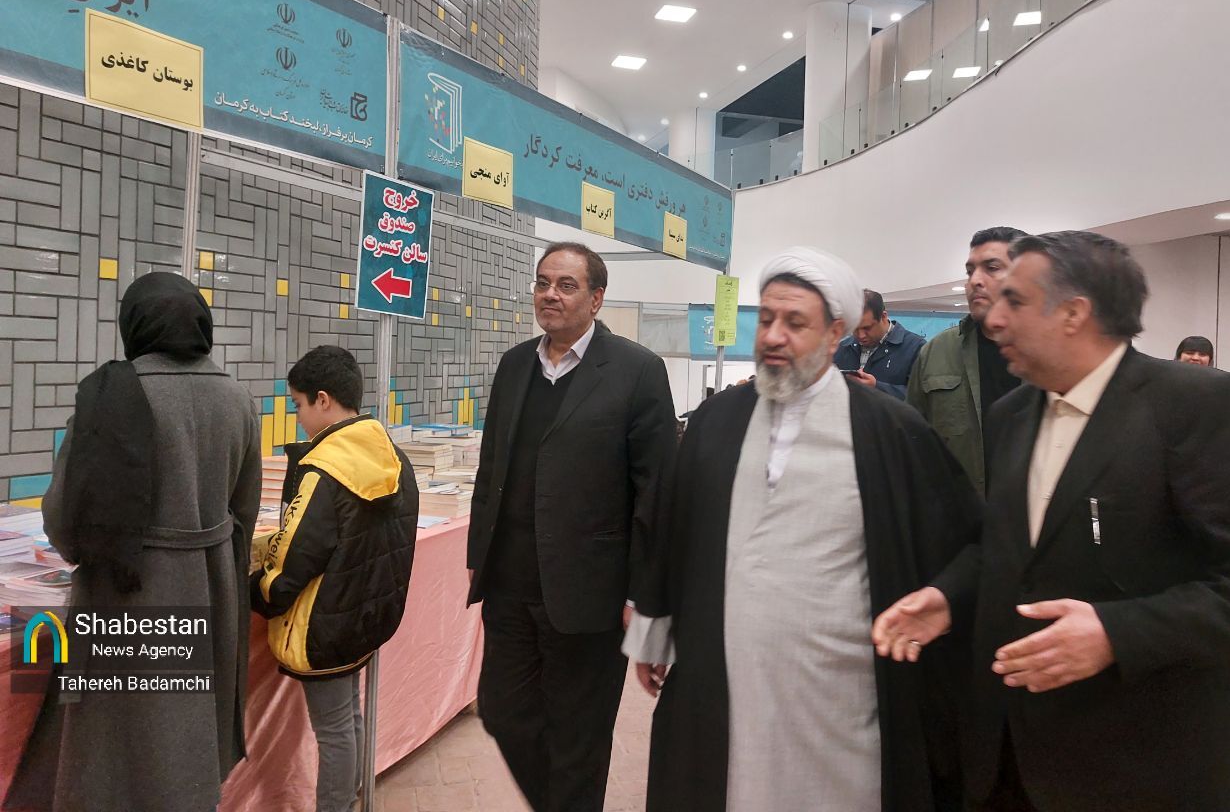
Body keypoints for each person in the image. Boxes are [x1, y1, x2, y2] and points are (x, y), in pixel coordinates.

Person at [874, 231, 1230, 811]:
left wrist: (1117, 633)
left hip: (1150, 768)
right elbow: (1006, 547)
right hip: (1014, 760)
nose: (995, 318)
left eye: (1016, 300)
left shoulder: (1201, 405)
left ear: (1073, 313)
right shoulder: (1013, 415)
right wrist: (949, 596)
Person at [628, 247, 981, 812]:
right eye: (767, 318)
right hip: (722, 676)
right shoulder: (716, 420)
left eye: (795, 322)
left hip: (839, 694)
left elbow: (969, 540)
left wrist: (942, 599)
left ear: (835, 332)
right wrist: (655, 625)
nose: (773, 336)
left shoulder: (890, 429)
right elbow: (674, 525)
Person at [6, 272, 261, 812]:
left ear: (134, 324)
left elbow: (66, 518)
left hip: (125, 592)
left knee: (115, 746)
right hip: (211, 587)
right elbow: (244, 508)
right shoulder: (238, 399)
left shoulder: (110, 394)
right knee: (187, 737)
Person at [466, 241, 677, 812]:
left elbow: (656, 493)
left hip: (591, 594)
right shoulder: (515, 365)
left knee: (578, 737)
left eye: (566, 285)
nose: (550, 295)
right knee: (503, 712)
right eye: (542, 283)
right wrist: (478, 555)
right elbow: (492, 466)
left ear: (596, 298)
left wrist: (642, 593)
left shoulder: (637, 371)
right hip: (510, 586)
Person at [250, 345, 418, 812]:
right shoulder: (393, 456)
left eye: (298, 405)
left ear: (323, 400)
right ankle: (352, 799)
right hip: (366, 616)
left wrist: (259, 591)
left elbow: (293, 560)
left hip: (323, 623)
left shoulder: (323, 470)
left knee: (334, 729)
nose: (298, 417)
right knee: (349, 716)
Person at [907, 226, 1027, 496]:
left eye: (992, 268)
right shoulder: (936, 351)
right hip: (960, 512)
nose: (975, 281)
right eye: (970, 271)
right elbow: (913, 442)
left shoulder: (1051, 353)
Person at [833, 289, 926, 398]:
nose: (861, 335)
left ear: (883, 316)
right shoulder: (842, 348)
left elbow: (923, 397)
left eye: (867, 328)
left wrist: (877, 387)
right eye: (854, 328)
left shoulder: (916, 348)